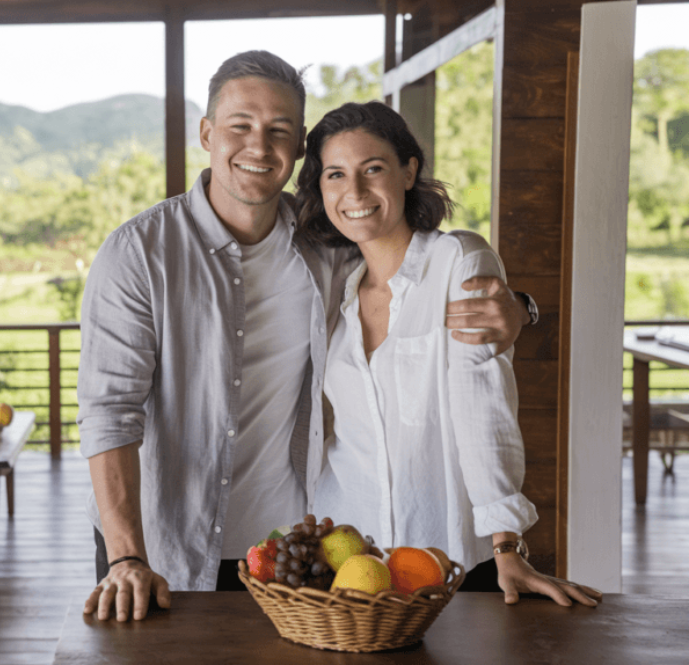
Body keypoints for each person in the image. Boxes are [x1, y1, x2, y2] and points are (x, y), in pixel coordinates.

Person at [77, 51, 531, 623]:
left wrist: (517, 309)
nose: (258, 147)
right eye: (240, 126)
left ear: (297, 152)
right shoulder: (138, 253)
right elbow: (108, 411)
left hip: (288, 556)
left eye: (279, 131)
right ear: (206, 133)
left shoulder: (328, 246)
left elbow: (410, 264)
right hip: (157, 548)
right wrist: (125, 556)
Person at [297, 101, 601, 607]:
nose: (354, 192)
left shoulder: (457, 259)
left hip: (448, 556)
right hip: (351, 562)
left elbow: (482, 407)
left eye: (373, 169)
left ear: (409, 170)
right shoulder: (333, 287)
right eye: (335, 174)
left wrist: (506, 543)